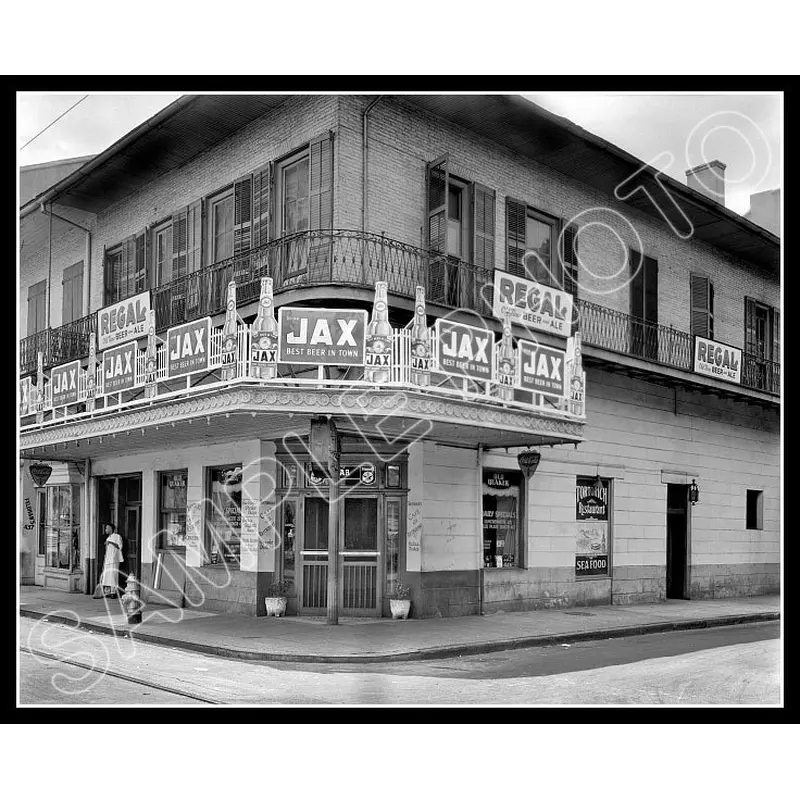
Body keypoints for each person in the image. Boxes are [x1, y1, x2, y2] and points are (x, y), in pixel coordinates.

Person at [96, 523, 124, 598]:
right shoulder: (108, 538)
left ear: (111, 528)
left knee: (113, 576)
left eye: (107, 528)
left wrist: (111, 543)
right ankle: (107, 591)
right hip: (108, 559)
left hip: (114, 559)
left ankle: (114, 592)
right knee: (106, 576)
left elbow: (119, 547)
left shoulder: (117, 536)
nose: (106, 530)